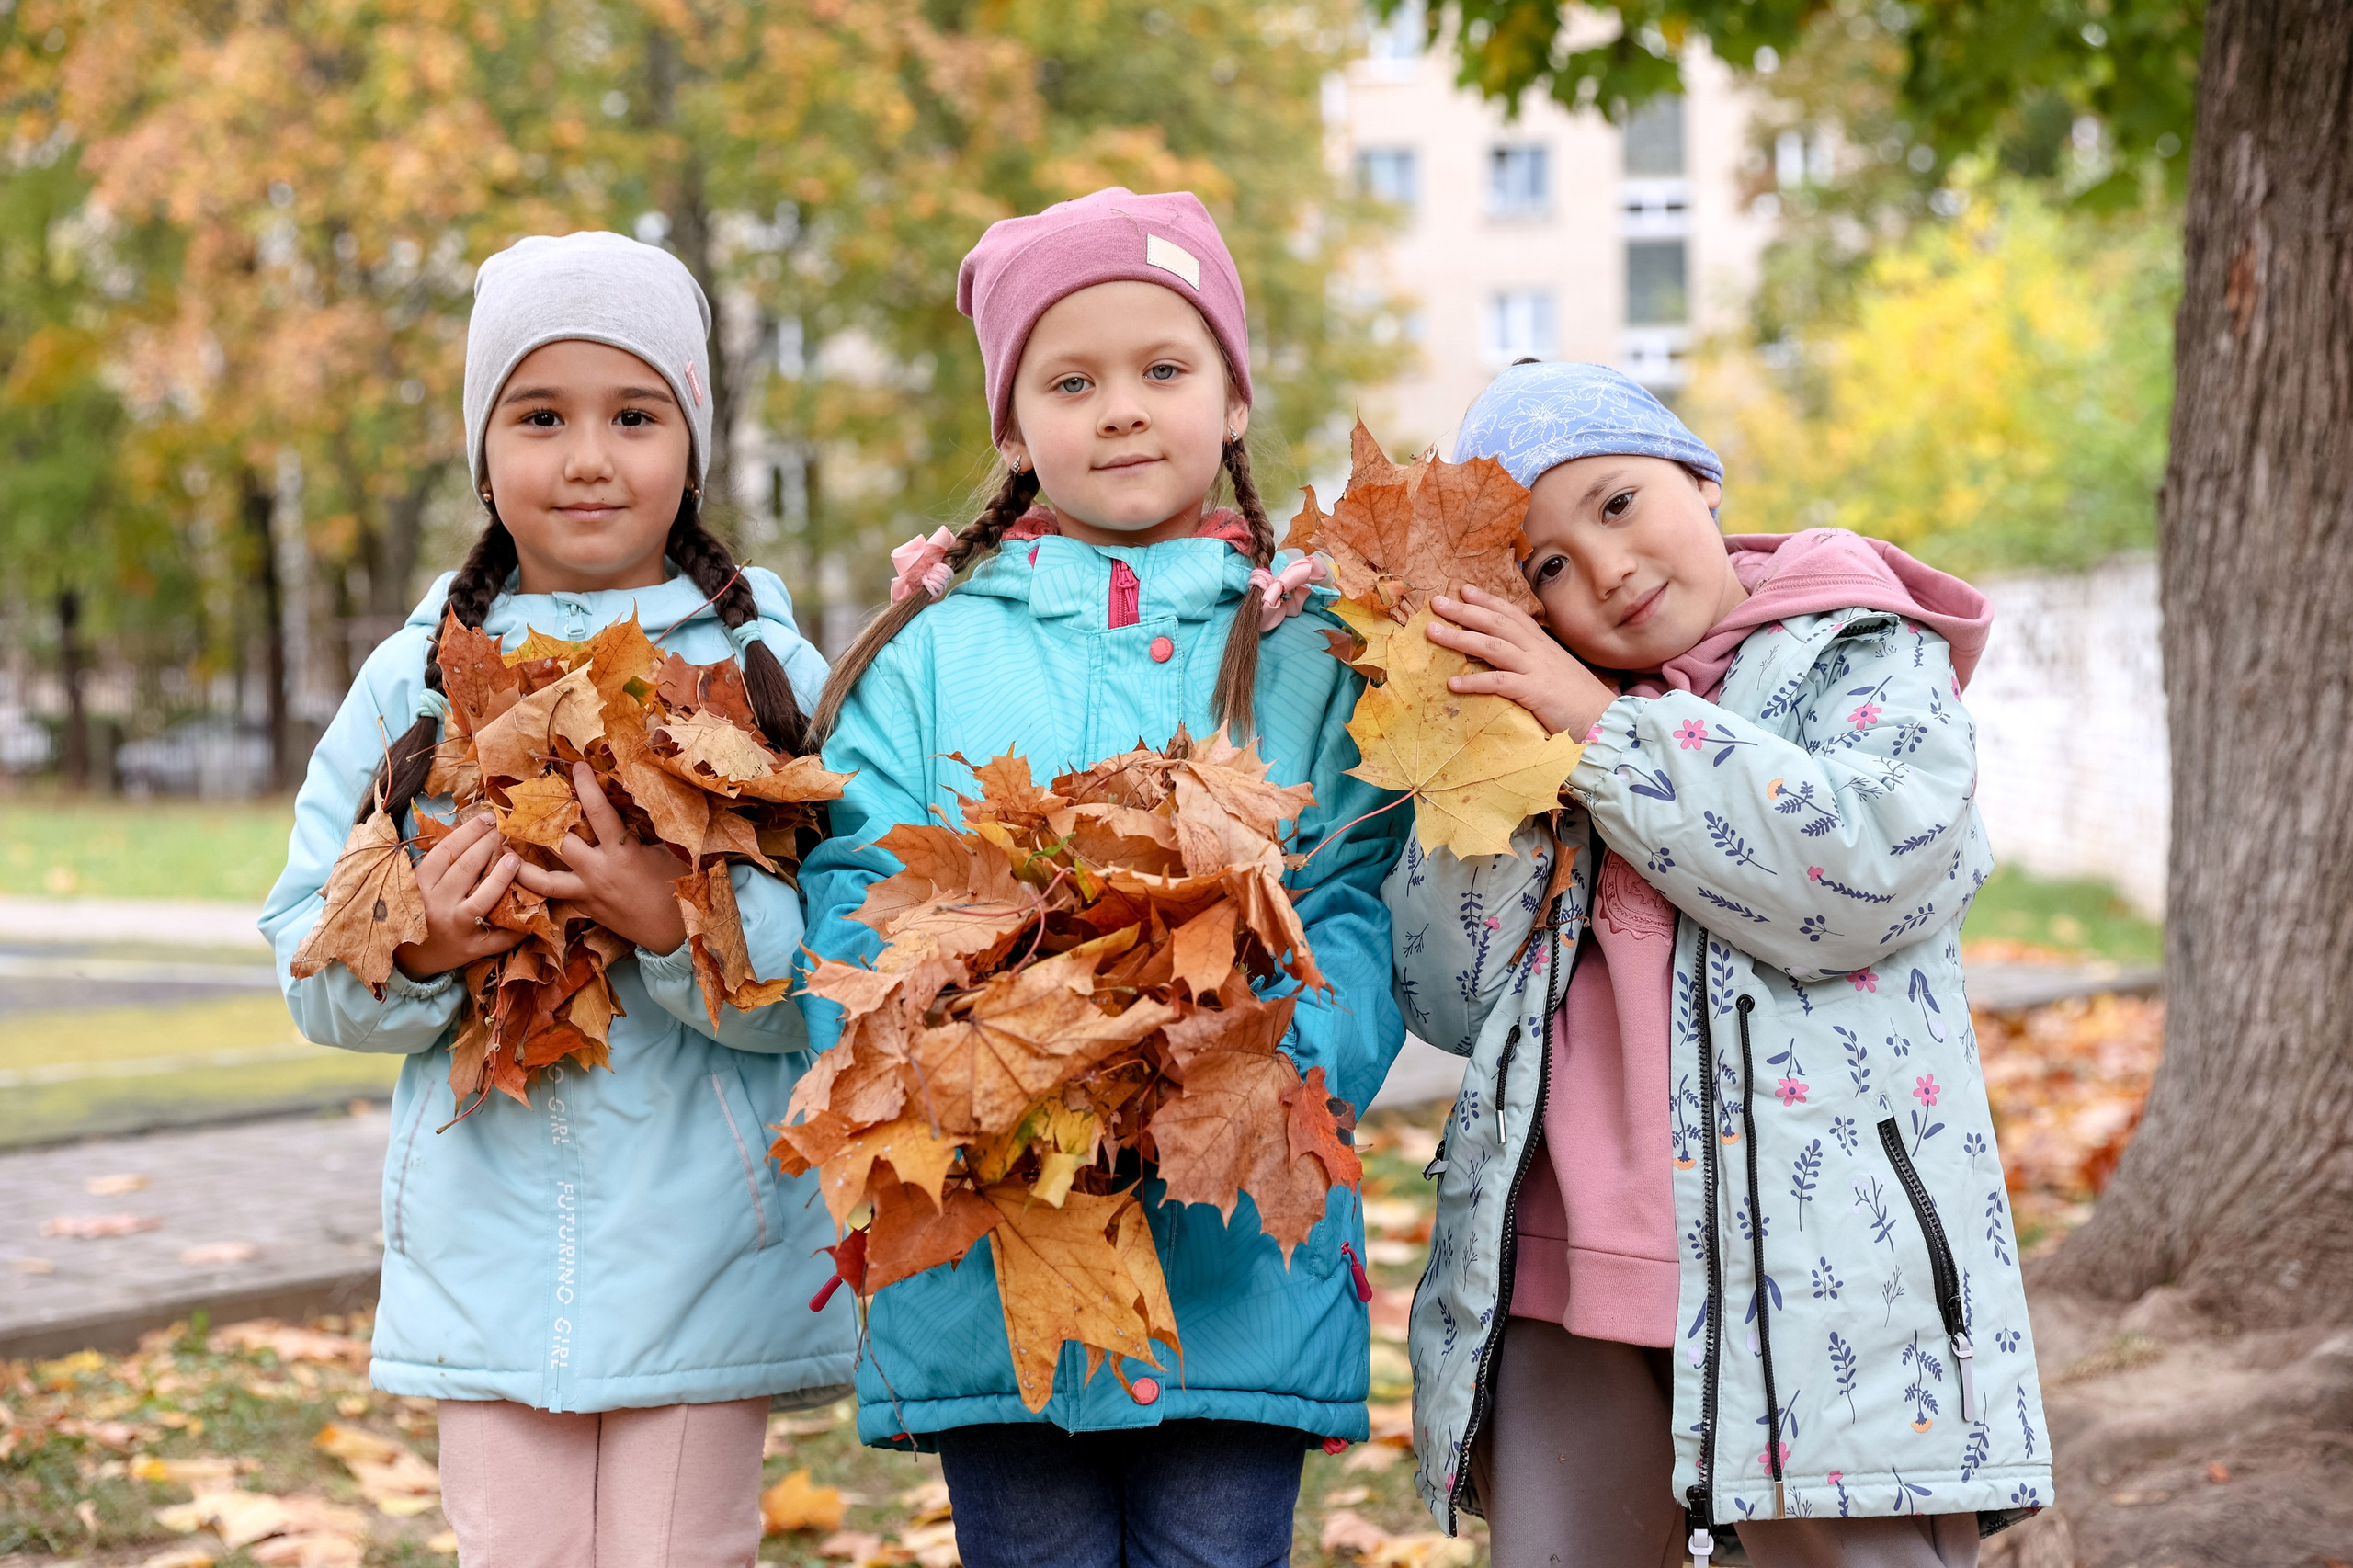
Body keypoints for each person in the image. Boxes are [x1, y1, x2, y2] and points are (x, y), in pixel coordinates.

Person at [798, 187, 1405, 1568]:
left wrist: (1276, 1064)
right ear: (1014, 429)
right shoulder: (931, 654)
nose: (1121, 408)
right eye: (1072, 381)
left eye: (1164, 369)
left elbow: (1360, 891)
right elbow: (854, 880)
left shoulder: (1311, 649)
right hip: (994, 1246)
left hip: (1236, 1263)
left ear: (1235, 401)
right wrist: (952, 1057)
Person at [1392, 360, 2052, 1566]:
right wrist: (1467, 764)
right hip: (1559, 1265)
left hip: (1816, 1271)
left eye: (1616, 502)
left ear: (1700, 478)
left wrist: (1605, 730)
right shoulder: (1540, 714)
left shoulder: (1854, 651)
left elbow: (1870, 866)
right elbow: (1448, 994)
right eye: (1544, 565)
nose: (1604, 567)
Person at [259, 231, 853, 1568]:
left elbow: (850, 970)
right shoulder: (412, 680)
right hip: (487, 1256)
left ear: (690, 446)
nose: (589, 456)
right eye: (542, 416)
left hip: (711, 1241)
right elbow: (306, 952)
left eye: (633, 415)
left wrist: (678, 923)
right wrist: (423, 945)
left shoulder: (772, 673)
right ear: (485, 453)